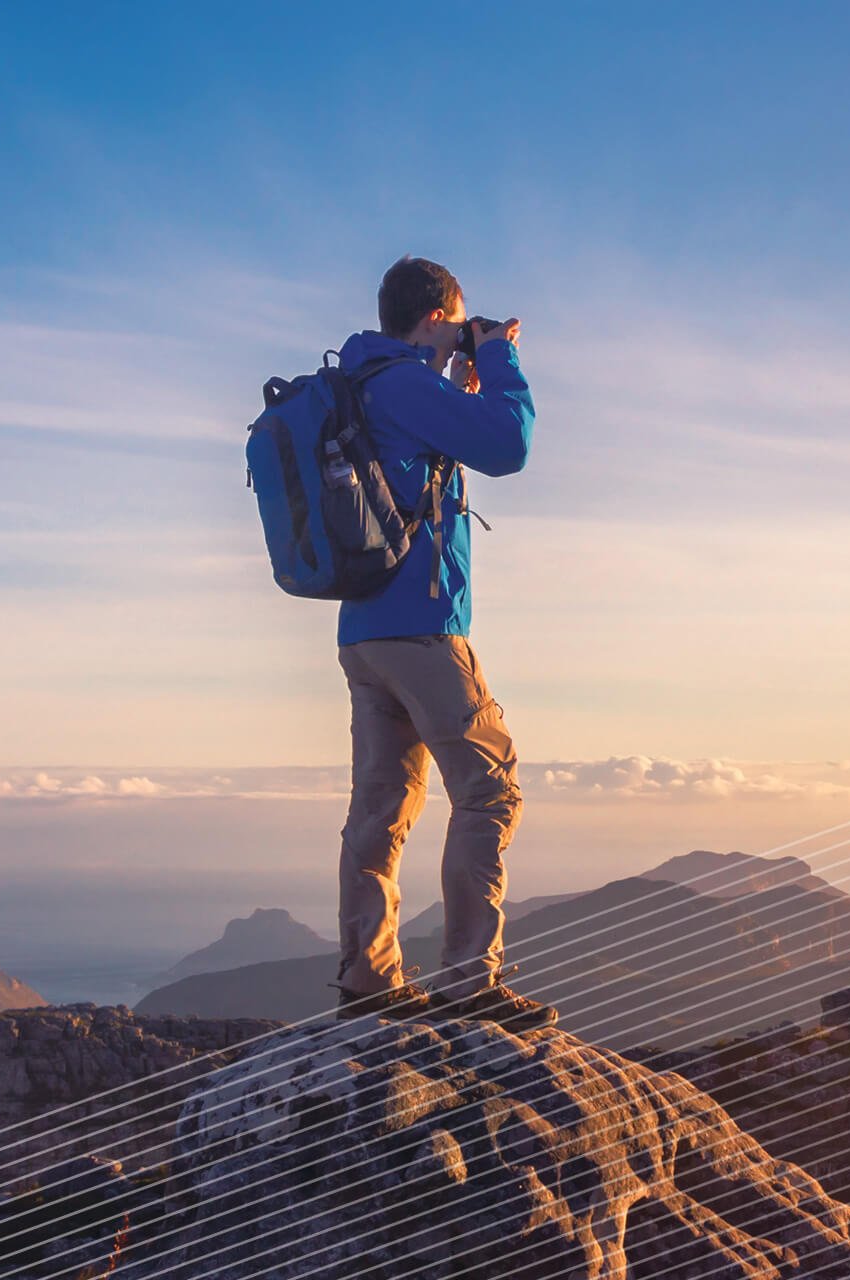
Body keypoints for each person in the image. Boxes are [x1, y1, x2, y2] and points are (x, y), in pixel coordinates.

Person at [329, 256, 552, 1031]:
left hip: (363, 632)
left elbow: (433, 451)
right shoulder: (402, 383)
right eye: (456, 324)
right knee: (491, 789)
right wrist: (499, 356)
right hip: (422, 627)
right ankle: (470, 981)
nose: (463, 336)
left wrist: (460, 371)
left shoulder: (367, 383)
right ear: (434, 319)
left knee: (381, 808)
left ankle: (370, 977)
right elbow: (508, 444)